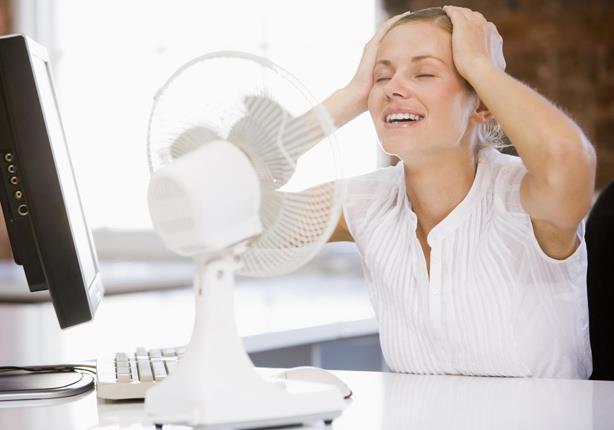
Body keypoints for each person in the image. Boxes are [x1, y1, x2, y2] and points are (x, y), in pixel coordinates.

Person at [320, 6, 596, 378]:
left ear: (480, 102)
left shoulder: (523, 198)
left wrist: (479, 66)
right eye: (381, 76)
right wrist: (349, 95)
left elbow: (564, 156)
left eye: (424, 72)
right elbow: (239, 216)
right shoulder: (367, 204)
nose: (393, 88)